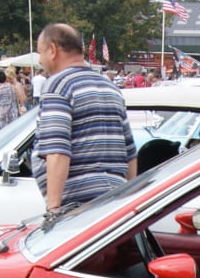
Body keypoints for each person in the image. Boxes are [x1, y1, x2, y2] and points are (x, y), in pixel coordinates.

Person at [33, 23, 136, 215]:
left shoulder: (58, 86)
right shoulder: (110, 87)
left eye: (40, 53)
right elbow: (130, 152)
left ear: (53, 50)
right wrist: (129, 205)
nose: (40, 60)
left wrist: (53, 210)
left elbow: (57, 150)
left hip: (78, 210)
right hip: (113, 205)